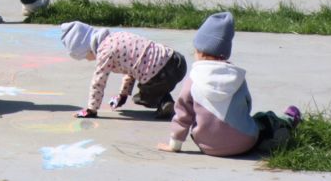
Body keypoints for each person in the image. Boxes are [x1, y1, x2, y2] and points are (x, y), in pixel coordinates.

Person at [160, 12, 301, 156]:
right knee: (262, 119)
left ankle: (264, 137)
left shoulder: (193, 79)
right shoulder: (236, 77)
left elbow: (182, 114)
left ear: (200, 52)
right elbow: (246, 106)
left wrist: (175, 145)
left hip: (206, 145)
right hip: (245, 143)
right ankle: (287, 122)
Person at [59, 20, 187, 119]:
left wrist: (91, 109)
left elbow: (98, 81)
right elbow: (131, 69)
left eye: (85, 56)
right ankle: (162, 97)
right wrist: (123, 94)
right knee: (147, 76)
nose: (88, 59)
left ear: (86, 48)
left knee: (141, 97)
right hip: (177, 62)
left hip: (161, 75)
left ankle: (163, 101)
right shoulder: (117, 36)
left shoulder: (105, 51)